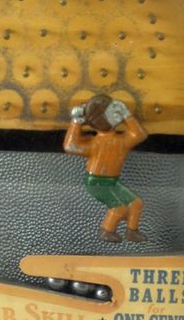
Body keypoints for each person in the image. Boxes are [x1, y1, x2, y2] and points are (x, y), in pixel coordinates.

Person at [63, 94, 149, 243]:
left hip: (112, 182)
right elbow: (71, 146)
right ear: (101, 119)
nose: (117, 113)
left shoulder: (121, 141)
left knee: (136, 203)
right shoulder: (95, 143)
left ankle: (132, 231)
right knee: (119, 208)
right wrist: (76, 123)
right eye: (112, 111)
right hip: (96, 182)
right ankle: (107, 231)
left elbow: (140, 135)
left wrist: (128, 116)